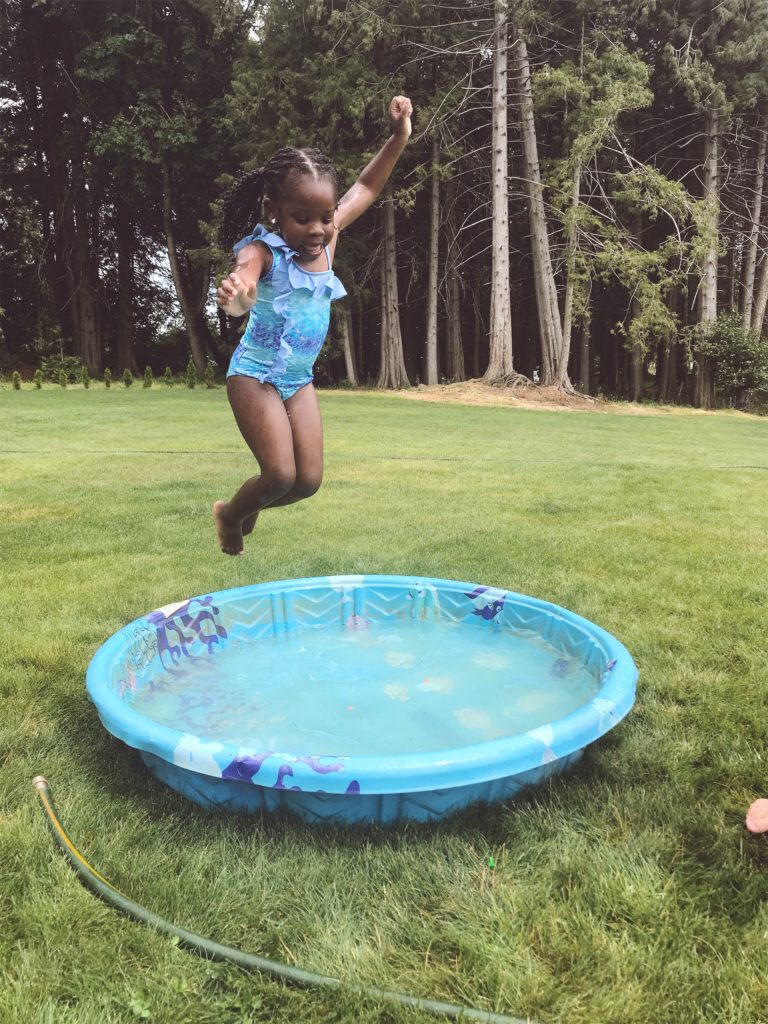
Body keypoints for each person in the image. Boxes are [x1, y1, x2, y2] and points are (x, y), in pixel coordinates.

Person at [213, 95, 413, 555]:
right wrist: (239, 299)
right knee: (280, 473)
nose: (318, 229)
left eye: (325, 217)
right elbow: (244, 279)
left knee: (306, 482)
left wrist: (399, 136)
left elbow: (366, 186)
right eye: (302, 219)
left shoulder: (327, 239)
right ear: (274, 212)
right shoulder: (263, 251)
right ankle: (229, 515)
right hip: (255, 376)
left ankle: (254, 499)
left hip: (297, 380)